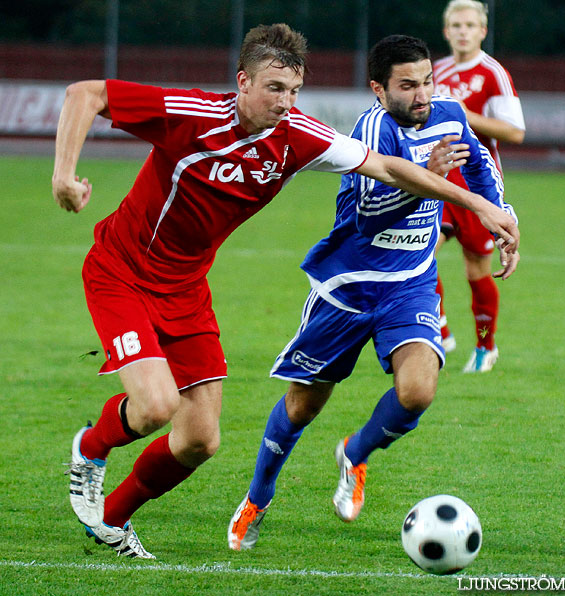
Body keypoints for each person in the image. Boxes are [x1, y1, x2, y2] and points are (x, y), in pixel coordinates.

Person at [54, 24, 519, 559]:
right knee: (157, 405)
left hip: (186, 289)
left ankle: (111, 520)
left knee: (200, 441)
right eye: (274, 89)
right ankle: (89, 451)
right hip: (123, 272)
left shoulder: (298, 135)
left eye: (294, 91)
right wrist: (64, 177)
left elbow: (389, 169)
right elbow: (84, 93)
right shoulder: (193, 114)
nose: (286, 102)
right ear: (243, 82)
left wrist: (483, 207)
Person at [227, 34, 519, 551]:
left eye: (427, 79)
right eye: (408, 85)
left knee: (418, 391)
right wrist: (425, 182)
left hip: (410, 285)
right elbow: (367, 216)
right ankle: (258, 495)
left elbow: (480, 164)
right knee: (302, 405)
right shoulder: (371, 131)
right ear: (379, 90)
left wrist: (502, 217)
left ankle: (355, 454)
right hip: (348, 287)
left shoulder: (450, 114)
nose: (423, 93)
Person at [432, 0, 526, 372]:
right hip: (437, 180)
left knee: (476, 269)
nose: (463, 31)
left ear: (482, 31)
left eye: (470, 25)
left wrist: (466, 116)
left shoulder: (493, 73)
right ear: (446, 30)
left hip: (476, 184)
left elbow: (515, 132)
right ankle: (439, 328)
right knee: (416, 253)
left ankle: (486, 347)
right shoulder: (435, 70)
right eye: (456, 25)